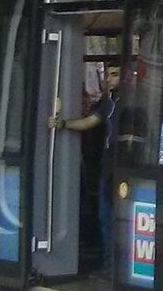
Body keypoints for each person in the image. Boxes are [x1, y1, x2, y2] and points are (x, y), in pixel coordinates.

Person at [51, 63, 119, 271]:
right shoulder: (110, 102)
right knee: (106, 215)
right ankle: (110, 263)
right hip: (109, 166)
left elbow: (90, 122)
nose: (108, 79)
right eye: (107, 75)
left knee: (107, 216)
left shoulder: (112, 104)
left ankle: (109, 265)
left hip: (112, 167)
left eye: (114, 75)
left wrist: (63, 124)